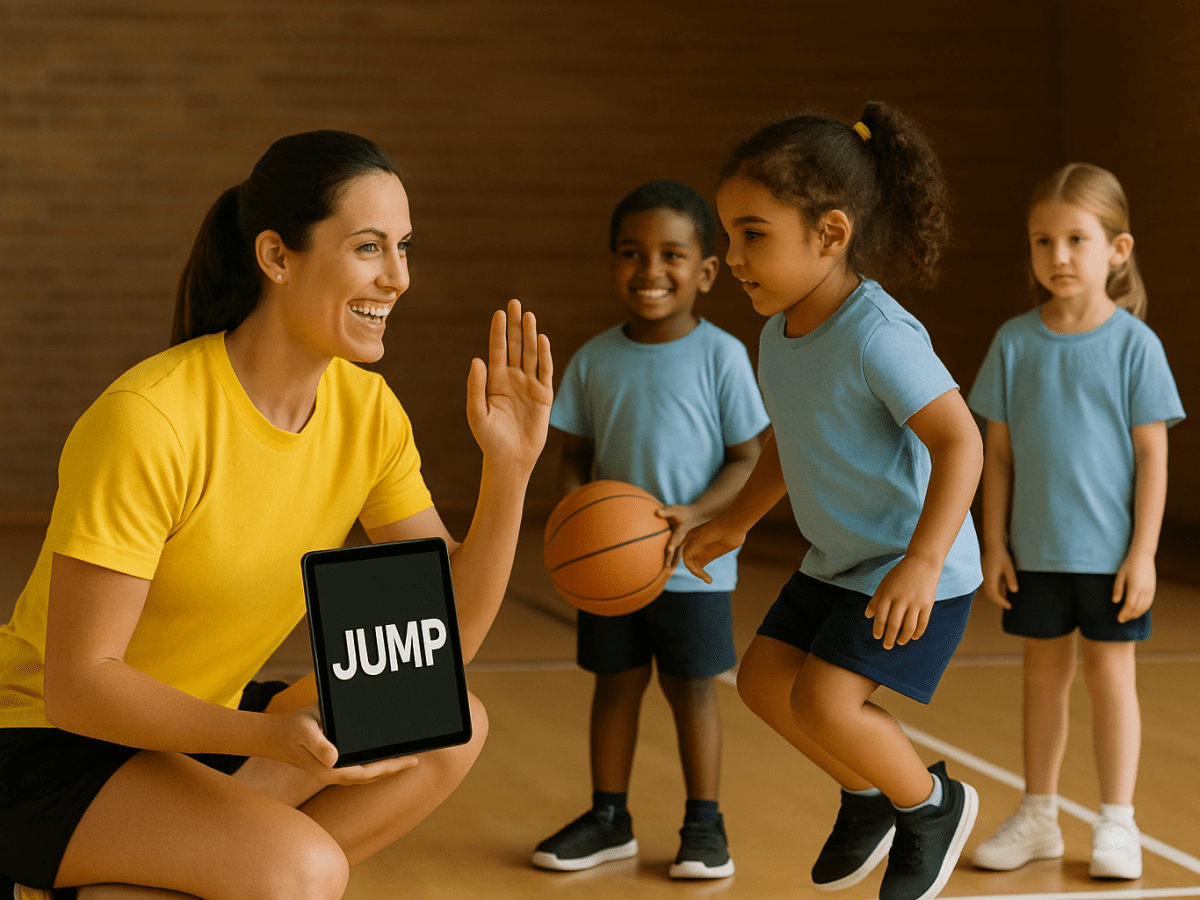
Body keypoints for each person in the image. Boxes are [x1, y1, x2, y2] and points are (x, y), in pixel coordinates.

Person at [0, 130, 553, 900]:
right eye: (368, 247)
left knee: (449, 723)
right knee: (306, 870)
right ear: (276, 256)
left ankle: (155, 873)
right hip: (48, 746)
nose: (397, 276)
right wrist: (266, 739)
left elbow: (440, 642)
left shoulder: (367, 412)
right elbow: (79, 686)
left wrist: (511, 470)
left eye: (403, 246)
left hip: (199, 728)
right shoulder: (150, 419)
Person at [683, 104, 983, 900]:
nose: (732, 256)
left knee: (823, 698)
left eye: (754, 234)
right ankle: (866, 794)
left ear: (830, 233)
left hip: (916, 565)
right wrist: (734, 521)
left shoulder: (877, 333)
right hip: (842, 559)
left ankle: (932, 804)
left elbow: (961, 442)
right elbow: (790, 438)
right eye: (728, 233)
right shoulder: (777, 334)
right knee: (760, 683)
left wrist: (921, 562)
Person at [530, 181, 770, 880]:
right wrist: (579, 522)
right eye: (632, 253)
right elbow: (572, 462)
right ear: (612, 264)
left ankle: (705, 825)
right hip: (614, 572)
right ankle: (610, 819)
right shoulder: (594, 359)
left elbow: (749, 458)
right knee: (615, 685)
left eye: (671, 254)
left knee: (693, 689)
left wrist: (696, 514)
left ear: (705, 271)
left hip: (694, 564)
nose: (650, 270)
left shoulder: (722, 355)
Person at [967, 163, 1183, 879]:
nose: (1057, 256)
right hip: (1034, 553)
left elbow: (1153, 457)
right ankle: (1039, 816)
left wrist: (1144, 553)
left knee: (1110, 676)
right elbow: (995, 455)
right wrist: (992, 543)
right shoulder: (1014, 342)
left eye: (1076, 240)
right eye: (1042, 241)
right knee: (1042, 677)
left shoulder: (1134, 346)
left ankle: (1117, 822)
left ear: (1116, 251)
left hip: (1112, 555)